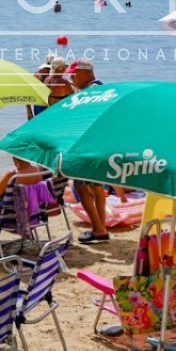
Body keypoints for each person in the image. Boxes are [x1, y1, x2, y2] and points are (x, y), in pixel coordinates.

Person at [64, 59, 114, 243]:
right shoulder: (102, 88)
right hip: (100, 145)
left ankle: (98, 229)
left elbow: (82, 119)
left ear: (85, 73)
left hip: (88, 146)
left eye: (73, 75)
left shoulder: (89, 93)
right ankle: (101, 227)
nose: (71, 79)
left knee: (81, 186)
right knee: (97, 187)